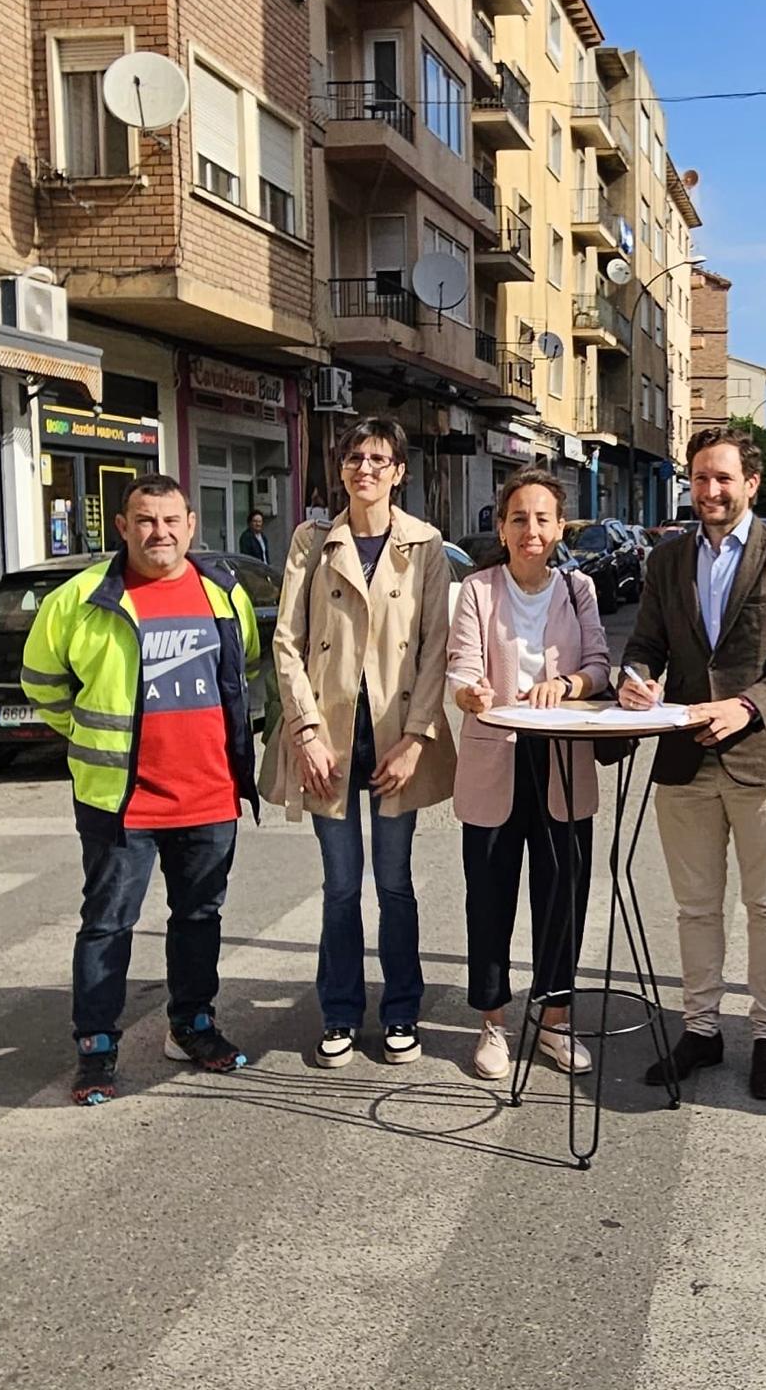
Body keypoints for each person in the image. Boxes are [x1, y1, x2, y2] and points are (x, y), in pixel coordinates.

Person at [21, 474, 260, 1106]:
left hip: (209, 796)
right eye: (145, 521)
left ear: (190, 525)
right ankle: (96, 1047)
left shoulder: (222, 595)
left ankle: (193, 1024)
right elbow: (42, 684)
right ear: (121, 527)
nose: (160, 533)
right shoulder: (79, 599)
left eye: (171, 520)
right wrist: (92, 735)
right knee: (107, 924)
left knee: (199, 917)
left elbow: (245, 669)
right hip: (120, 803)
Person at [620, 425, 766, 1100]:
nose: (709, 490)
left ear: (751, 484)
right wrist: (637, 678)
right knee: (695, 908)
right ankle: (701, 1029)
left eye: (723, 478)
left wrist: (747, 706)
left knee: (765, 907)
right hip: (682, 758)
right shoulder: (668, 560)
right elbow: (647, 643)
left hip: (760, 759)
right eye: (700, 478)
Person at [270, 418, 455, 1069]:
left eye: (379, 458)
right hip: (333, 741)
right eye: (355, 457)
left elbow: (436, 647)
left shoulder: (425, 544)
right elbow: (287, 641)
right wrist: (307, 732)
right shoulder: (312, 540)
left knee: (396, 881)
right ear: (341, 467)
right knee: (341, 885)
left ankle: (402, 1008)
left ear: (399, 471)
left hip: (397, 738)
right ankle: (340, 1011)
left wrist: (416, 739)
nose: (366, 468)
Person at [447, 468, 611, 1080]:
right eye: (520, 518)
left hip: (562, 760)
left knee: (561, 896)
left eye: (543, 518)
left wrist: (567, 684)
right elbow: (462, 664)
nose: (531, 530)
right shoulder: (478, 590)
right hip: (495, 755)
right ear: (502, 525)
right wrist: (469, 692)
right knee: (489, 898)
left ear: (561, 527)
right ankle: (493, 1021)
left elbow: (598, 664)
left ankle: (555, 1019)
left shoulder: (579, 590)